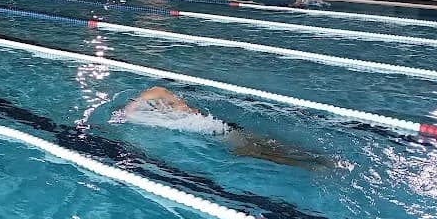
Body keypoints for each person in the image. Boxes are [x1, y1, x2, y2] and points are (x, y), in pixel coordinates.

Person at [115, 87, 330, 169]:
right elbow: (189, 109)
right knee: (266, 145)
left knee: (260, 153)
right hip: (222, 126)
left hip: (220, 133)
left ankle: (312, 166)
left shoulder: (143, 109)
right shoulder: (155, 97)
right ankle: (318, 158)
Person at [226, 0, 329, 9]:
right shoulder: (294, 5)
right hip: (275, 5)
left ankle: (234, 1)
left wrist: (320, 2)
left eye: (298, 0)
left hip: (274, 5)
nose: (296, 0)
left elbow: (315, 1)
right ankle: (234, 0)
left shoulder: (298, 6)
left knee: (253, 2)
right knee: (252, 2)